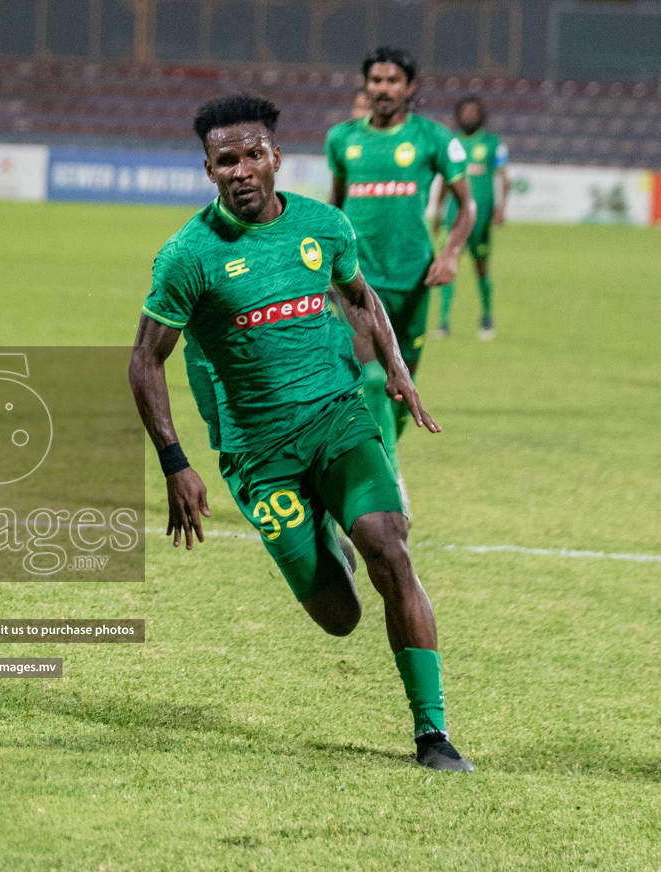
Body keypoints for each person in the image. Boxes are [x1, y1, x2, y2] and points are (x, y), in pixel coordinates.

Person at [128, 94, 473, 772]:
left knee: (390, 548)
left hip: (338, 419)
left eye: (254, 155)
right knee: (339, 616)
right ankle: (326, 548)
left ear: (276, 157)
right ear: (208, 170)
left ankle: (432, 733)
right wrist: (175, 462)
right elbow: (145, 361)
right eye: (227, 160)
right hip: (259, 456)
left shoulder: (324, 226)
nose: (243, 170)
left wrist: (397, 371)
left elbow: (359, 295)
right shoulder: (188, 257)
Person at [325, 47, 474, 484]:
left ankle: (380, 458)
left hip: (413, 279)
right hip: (355, 279)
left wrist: (449, 253)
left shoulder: (433, 139)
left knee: (401, 385)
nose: (382, 89)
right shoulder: (342, 139)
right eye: (375, 80)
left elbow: (467, 207)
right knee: (371, 377)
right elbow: (335, 207)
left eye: (392, 81)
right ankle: (387, 478)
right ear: (365, 85)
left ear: (409, 87)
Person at [433, 94, 507, 341]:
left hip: (482, 218)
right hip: (454, 217)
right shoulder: (451, 142)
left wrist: (501, 207)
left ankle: (486, 317)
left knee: (481, 267)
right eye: (465, 113)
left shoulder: (493, 143)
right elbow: (445, 179)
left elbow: (504, 178)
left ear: (481, 115)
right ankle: (443, 323)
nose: (469, 117)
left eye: (474, 113)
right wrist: (438, 208)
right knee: (446, 264)